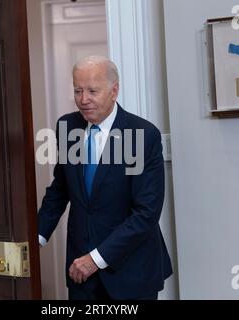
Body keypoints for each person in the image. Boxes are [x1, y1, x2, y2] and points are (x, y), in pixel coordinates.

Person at [38, 56, 172, 300]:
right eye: (78, 90)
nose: (83, 99)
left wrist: (95, 259)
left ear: (114, 90)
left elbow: (146, 214)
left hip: (131, 272)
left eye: (92, 91)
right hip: (81, 274)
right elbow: (61, 189)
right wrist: (36, 236)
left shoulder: (141, 135)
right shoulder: (68, 127)